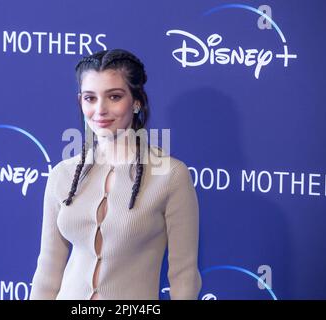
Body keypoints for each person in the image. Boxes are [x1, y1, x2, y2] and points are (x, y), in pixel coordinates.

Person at [29, 48, 201, 300]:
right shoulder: (62, 175)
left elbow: (184, 276)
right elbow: (48, 269)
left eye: (114, 96)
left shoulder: (171, 176)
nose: (100, 110)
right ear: (80, 101)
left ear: (137, 101)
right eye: (90, 98)